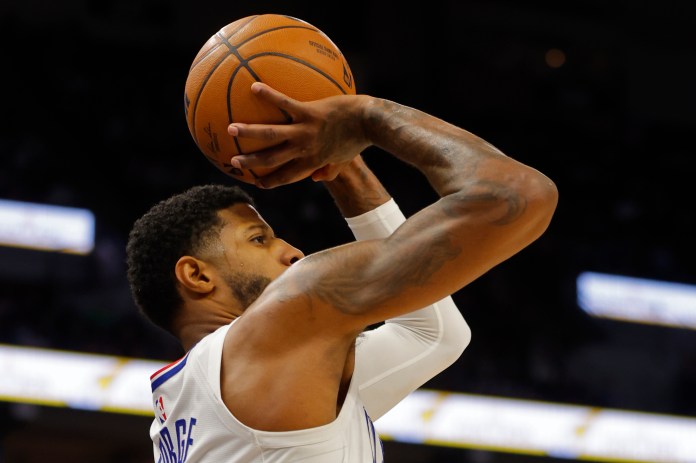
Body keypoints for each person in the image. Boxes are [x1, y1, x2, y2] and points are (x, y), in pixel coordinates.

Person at [126, 82, 558, 463]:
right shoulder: (281, 326)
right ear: (196, 276)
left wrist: (342, 167)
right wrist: (365, 117)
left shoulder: (192, 404)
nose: (292, 252)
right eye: (259, 239)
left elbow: (433, 335)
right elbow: (517, 194)